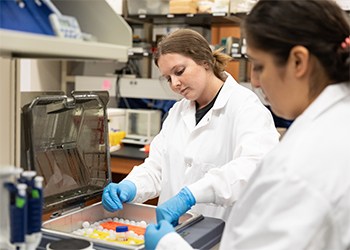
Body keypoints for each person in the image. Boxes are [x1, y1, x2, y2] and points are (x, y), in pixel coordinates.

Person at [144, 0, 350, 249]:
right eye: (168, 78)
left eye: (259, 66)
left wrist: (167, 244)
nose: (255, 81)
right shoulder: (333, 126)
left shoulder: (305, 161)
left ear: (298, 62)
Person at [102, 29, 279, 225]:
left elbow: (253, 170)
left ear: (205, 61)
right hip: (172, 233)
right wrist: (130, 185)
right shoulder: (178, 112)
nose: (175, 83)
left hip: (218, 237)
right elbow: (157, 168)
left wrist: (191, 195)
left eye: (179, 71)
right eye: (168, 78)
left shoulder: (245, 107)